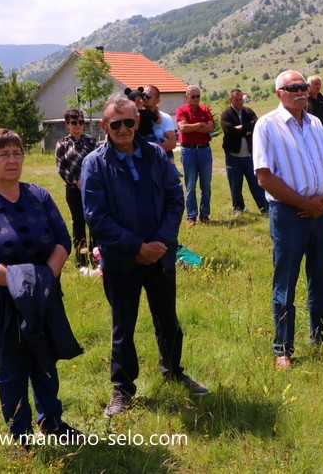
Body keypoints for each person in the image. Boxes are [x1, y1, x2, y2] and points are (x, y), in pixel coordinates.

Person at [81, 95, 208, 418]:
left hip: (161, 255)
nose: (123, 129)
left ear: (137, 122)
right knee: (123, 325)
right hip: (122, 260)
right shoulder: (94, 164)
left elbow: (174, 199)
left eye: (128, 122)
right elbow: (97, 217)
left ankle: (173, 370)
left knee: (168, 318)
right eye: (116, 123)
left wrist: (160, 243)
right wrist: (137, 248)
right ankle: (122, 389)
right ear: (104, 126)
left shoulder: (154, 155)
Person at [0, 129, 82, 444]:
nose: (12, 160)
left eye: (17, 153)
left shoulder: (39, 195)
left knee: (45, 362)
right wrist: (17, 284)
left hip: (43, 298)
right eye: (3, 155)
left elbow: (63, 241)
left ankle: (52, 421)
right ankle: (20, 435)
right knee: (12, 369)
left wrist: (43, 282)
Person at [252, 70, 323, 370]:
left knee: (321, 278)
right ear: (279, 93)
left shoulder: (315, 123)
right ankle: (283, 349)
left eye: (303, 87)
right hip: (289, 214)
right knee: (286, 282)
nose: (300, 92)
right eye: (292, 88)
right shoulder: (266, 126)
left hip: (320, 211)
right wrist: (305, 204)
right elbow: (264, 177)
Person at [55, 109, 98, 273]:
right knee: (78, 223)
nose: (78, 125)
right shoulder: (62, 144)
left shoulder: (92, 141)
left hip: (92, 189)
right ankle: (81, 261)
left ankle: (96, 259)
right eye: (74, 122)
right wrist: (75, 181)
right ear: (67, 124)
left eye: (81, 122)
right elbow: (61, 168)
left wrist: (88, 182)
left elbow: (98, 164)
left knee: (93, 222)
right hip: (73, 190)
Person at [220, 88, 268, 214]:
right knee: (235, 185)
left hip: (249, 156)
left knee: (256, 183)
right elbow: (229, 131)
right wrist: (246, 130)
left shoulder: (248, 111)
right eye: (236, 99)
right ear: (230, 100)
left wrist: (240, 128)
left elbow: (256, 125)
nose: (239, 102)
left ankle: (264, 207)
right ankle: (238, 208)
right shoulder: (226, 114)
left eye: (241, 99)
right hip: (233, 156)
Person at [176, 85, 215, 226]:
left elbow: (211, 127)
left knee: (206, 185)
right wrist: (200, 124)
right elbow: (183, 128)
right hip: (189, 151)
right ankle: (191, 216)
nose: (196, 99)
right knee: (190, 185)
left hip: (204, 150)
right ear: (186, 97)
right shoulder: (181, 110)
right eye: (193, 96)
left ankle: (205, 215)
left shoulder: (205, 109)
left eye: (198, 96)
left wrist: (193, 127)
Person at [143, 85, 178, 163]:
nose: (144, 98)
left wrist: (150, 151)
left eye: (148, 96)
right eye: (143, 95)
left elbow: (172, 143)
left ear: (157, 100)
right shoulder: (135, 117)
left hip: (159, 161)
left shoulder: (165, 118)